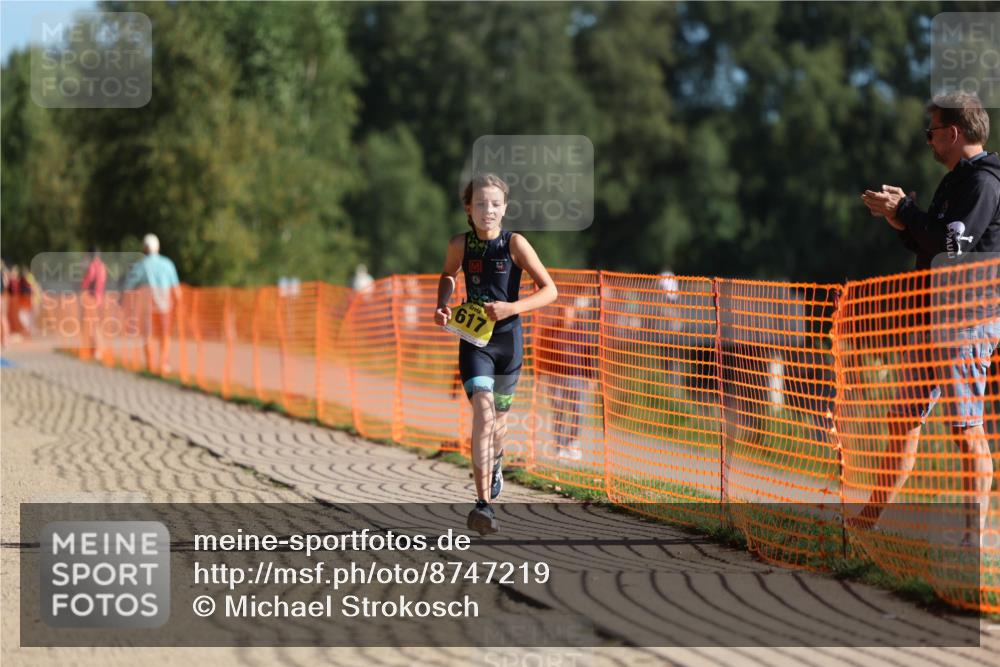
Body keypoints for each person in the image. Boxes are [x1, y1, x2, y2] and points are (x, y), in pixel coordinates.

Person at [859, 91, 1000, 541]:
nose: (929, 141)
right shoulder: (956, 181)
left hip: (966, 319)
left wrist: (906, 212)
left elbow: (951, 248)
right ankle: (867, 521)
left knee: (966, 430)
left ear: (953, 133)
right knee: (903, 420)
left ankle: (973, 541)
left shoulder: (983, 183)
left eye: (932, 132)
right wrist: (901, 219)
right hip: (933, 319)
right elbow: (931, 240)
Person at [434, 173, 557, 535]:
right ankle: (483, 505)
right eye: (481, 204)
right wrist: (442, 303)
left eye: (495, 204)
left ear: (504, 209)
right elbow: (447, 274)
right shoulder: (460, 244)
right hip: (474, 343)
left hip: (509, 344)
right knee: (484, 418)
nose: (488, 210)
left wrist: (511, 308)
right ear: (468, 209)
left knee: (498, 425)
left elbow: (549, 290)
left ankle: (496, 460)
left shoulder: (515, 244)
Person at [535, 296, 599, 460]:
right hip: (555, 377)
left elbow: (589, 356)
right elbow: (541, 355)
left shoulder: (582, 332)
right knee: (558, 411)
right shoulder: (550, 331)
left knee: (578, 410)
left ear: (574, 312)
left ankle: (573, 442)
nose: (566, 314)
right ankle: (559, 445)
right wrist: (540, 376)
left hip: (576, 377)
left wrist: (592, 378)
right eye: (563, 310)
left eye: (569, 310)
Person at [124, 234, 182, 375]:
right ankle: (163, 365)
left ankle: (150, 365)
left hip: (147, 308)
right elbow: (176, 291)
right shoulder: (167, 264)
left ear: (144, 248)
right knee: (164, 335)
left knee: (147, 335)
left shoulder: (140, 265)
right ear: (158, 247)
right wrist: (179, 306)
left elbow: (128, 287)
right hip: (164, 307)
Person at [79, 247, 107, 361]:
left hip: (92, 299)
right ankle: (98, 349)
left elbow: (88, 280)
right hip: (100, 298)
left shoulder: (93, 266)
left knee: (93, 326)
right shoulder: (103, 266)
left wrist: (82, 287)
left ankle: (96, 350)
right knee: (97, 326)